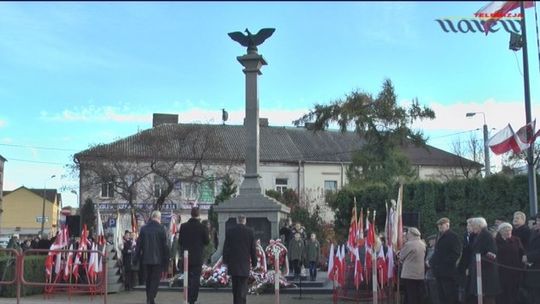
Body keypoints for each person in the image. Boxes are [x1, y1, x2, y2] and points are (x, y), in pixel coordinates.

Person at [135, 210, 169, 304]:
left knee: (148, 280)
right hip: (158, 260)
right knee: (155, 280)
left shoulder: (144, 228)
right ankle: (151, 297)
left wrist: (135, 258)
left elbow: (139, 245)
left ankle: (150, 299)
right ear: (159, 218)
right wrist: (166, 260)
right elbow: (165, 246)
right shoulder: (162, 229)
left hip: (145, 259)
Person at [223, 215, 257, 304]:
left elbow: (226, 247)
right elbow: (253, 249)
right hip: (244, 263)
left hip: (233, 263)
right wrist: (254, 263)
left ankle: (236, 302)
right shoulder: (250, 232)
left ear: (237, 221)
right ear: (245, 221)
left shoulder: (230, 231)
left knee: (235, 287)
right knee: (243, 287)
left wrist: (225, 261)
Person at [178, 207, 209, 304]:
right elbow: (207, 241)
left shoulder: (183, 226)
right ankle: (193, 299)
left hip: (186, 257)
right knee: (195, 279)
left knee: (187, 278)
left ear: (191, 214)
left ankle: (186, 297)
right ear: (198, 215)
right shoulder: (202, 227)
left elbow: (180, 241)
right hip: (197, 257)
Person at [466, 217, 500, 304]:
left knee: (488, 298)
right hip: (478, 271)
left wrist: (481, 261)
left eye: (474, 225)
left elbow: (492, 252)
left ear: (480, 225)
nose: (472, 227)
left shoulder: (487, 236)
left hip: (486, 271)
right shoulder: (476, 236)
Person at [428, 217, 462, 304]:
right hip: (438, 271)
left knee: (449, 295)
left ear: (447, 225)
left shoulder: (453, 236)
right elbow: (437, 252)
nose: (440, 227)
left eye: (441, 225)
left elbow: (456, 253)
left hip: (448, 271)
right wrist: (432, 262)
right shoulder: (439, 236)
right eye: (439, 225)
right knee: (441, 295)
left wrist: (445, 263)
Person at [495, 222, 524, 304]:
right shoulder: (496, 241)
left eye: (509, 230)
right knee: (503, 293)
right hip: (502, 271)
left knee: (514, 292)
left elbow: (522, 252)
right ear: (500, 232)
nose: (508, 232)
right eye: (505, 230)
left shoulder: (516, 240)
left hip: (515, 271)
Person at [399, 227, 426, 304]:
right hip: (420, 273)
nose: (406, 235)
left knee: (409, 295)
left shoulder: (409, 244)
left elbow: (401, 256)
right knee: (417, 294)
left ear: (411, 234)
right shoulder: (422, 244)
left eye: (407, 233)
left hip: (409, 274)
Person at [522, 213, 540, 304]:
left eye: (539, 221)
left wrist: (529, 257)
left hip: (537, 267)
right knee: (532, 294)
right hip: (532, 268)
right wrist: (526, 257)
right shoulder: (534, 233)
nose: (537, 223)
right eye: (537, 221)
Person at [457, 218, 476, 303]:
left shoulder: (476, 237)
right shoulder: (466, 235)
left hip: (472, 265)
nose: (468, 227)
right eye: (467, 225)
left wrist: (469, 267)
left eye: (470, 225)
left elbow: (472, 253)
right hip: (464, 265)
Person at [425, 234, 440, 304]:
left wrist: (428, 263)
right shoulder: (429, 250)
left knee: (434, 296)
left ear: (434, 241)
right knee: (430, 295)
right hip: (428, 276)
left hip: (433, 276)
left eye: (430, 241)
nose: (429, 243)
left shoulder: (436, 250)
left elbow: (429, 262)